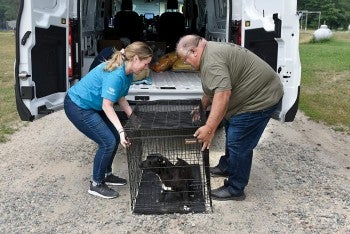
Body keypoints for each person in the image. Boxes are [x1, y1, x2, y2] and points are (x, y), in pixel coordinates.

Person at [176, 35, 283, 201]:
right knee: (229, 125)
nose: (186, 62)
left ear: (194, 51)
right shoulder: (209, 53)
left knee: (238, 142)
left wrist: (209, 128)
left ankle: (235, 189)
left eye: (185, 58)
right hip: (248, 96)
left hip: (259, 99)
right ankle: (227, 166)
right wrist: (202, 107)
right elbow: (212, 87)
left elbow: (223, 94)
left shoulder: (211, 61)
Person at [64, 41, 153, 199]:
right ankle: (96, 183)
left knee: (112, 136)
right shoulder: (116, 75)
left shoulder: (128, 74)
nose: (146, 68)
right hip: (78, 105)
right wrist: (121, 131)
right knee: (108, 141)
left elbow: (121, 98)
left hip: (92, 106)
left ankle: (107, 173)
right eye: (145, 64)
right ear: (136, 59)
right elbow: (107, 105)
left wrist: (133, 119)